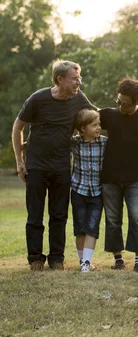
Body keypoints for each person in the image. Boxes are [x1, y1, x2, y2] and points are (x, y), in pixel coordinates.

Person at [12, 60, 94, 271]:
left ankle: (56, 259)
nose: (79, 83)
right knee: (35, 214)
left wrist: (130, 109)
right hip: (36, 166)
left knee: (59, 215)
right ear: (60, 79)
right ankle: (35, 258)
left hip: (61, 166)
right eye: (75, 79)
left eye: (79, 78)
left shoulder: (78, 99)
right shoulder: (38, 99)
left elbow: (98, 114)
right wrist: (19, 160)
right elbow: (18, 126)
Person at [100, 78, 138, 272]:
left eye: (125, 104)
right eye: (118, 102)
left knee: (137, 216)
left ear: (137, 101)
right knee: (112, 218)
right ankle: (118, 258)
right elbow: (84, 124)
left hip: (135, 176)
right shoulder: (108, 115)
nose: (121, 106)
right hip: (109, 176)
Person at [71, 109, 107, 272]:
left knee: (92, 227)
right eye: (94, 125)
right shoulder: (75, 142)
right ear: (83, 128)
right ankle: (82, 261)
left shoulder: (105, 142)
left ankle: (86, 262)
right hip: (78, 190)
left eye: (99, 124)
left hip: (97, 193)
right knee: (80, 228)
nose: (98, 128)